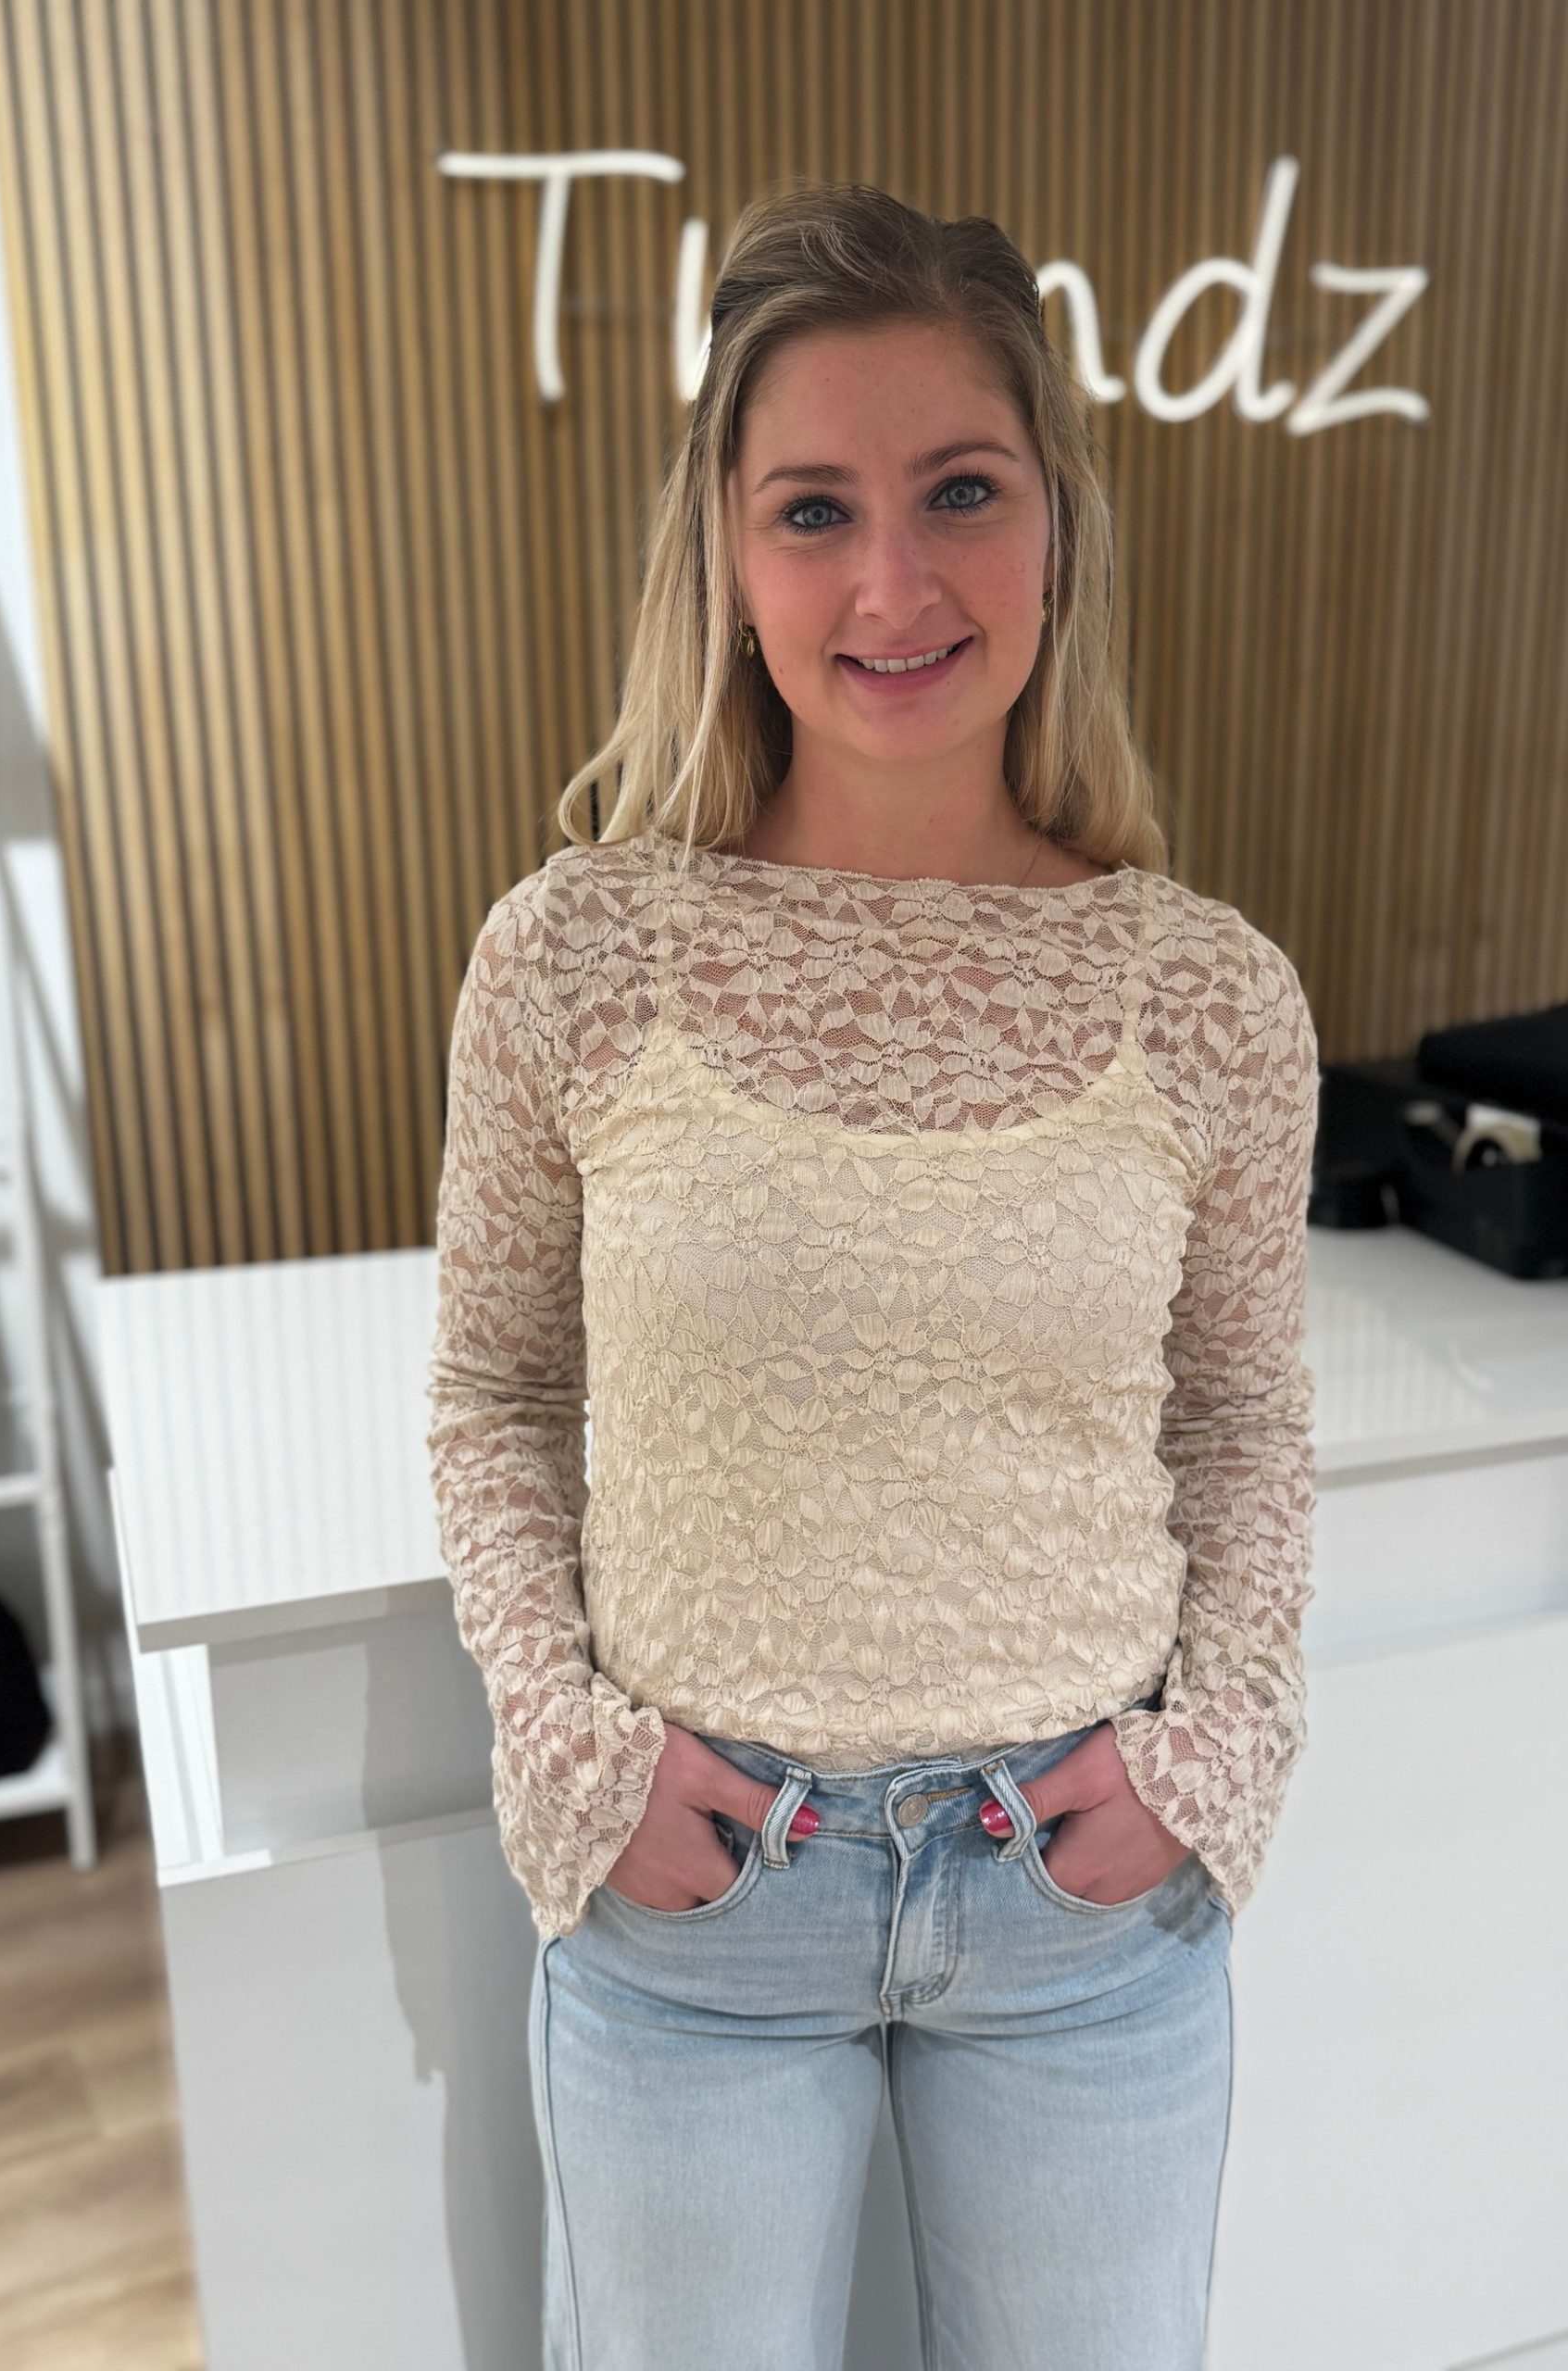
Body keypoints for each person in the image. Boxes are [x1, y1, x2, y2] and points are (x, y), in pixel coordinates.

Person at [427, 177, 1320, 2371]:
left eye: (962, 491)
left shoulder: (1212, 992)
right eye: (815, 509)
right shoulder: (574, 952)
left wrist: (1217, 1752)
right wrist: (569, 1748)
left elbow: (1242, 1422)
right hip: (693, 1914)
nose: (894, 581)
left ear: (1057, 528)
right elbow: (495, 1396)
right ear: (729, 562)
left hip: (1085, 1914)